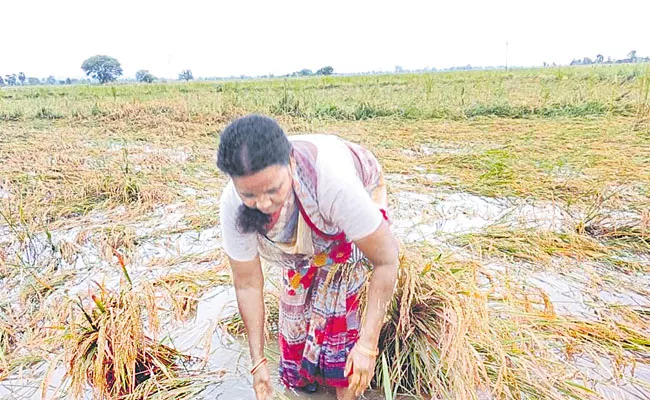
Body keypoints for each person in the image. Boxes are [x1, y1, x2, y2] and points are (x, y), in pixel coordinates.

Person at [217, 114, 399, 400]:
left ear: (290, 162)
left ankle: (344, 387)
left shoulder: (334, 184)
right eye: (249, 194)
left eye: (273, 189)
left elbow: (386, 260)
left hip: (344, 215)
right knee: (295, 317)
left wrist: (367, 346)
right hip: (305, 240)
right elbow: (248, 284)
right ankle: (311, 381)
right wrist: (258, 362)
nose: (262, 204)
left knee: (339, 313)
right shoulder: (232, 204)